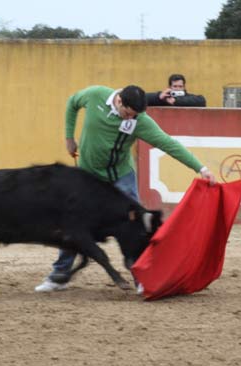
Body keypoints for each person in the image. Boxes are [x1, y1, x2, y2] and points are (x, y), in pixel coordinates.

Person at [35, 84, 216, 293]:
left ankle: (142, 277)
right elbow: (72, 103)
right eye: (128, 114)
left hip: (120, 177)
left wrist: (200, 168)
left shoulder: (140, 121)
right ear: (119, 101)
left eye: (135, 116)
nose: (131, 120)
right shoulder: (95, 96)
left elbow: (168, 143)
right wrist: (69, 138)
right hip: (87, 178)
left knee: (134, 226)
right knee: (73, 223)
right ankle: (59, 276)